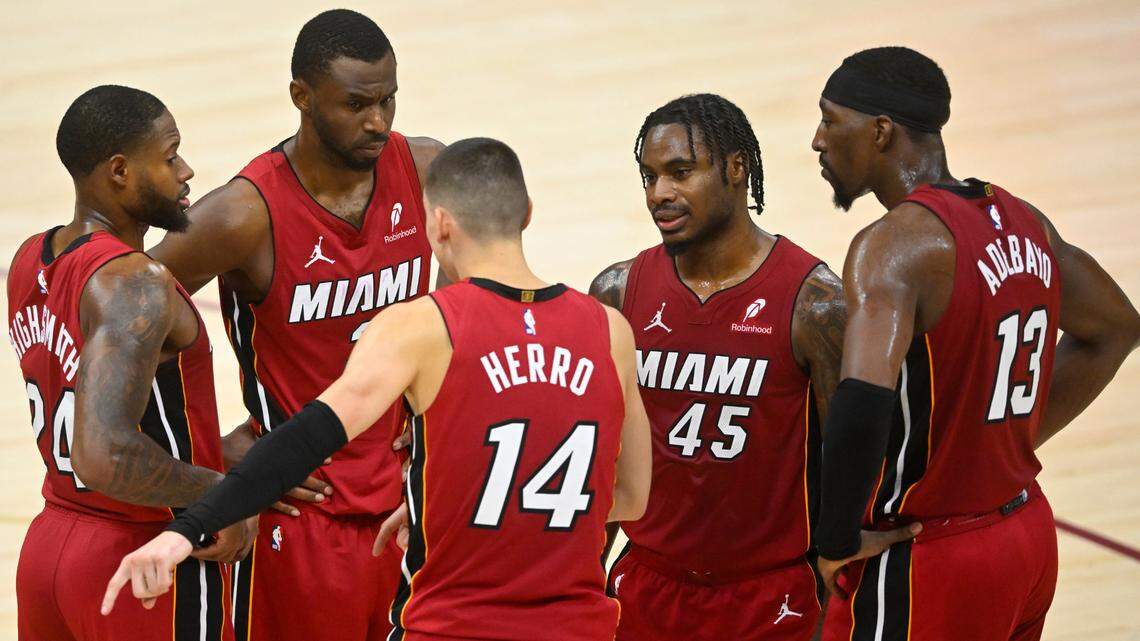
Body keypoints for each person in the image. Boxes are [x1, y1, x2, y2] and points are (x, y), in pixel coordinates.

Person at [103, 137, 653, 641]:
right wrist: (479, 507)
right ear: (527, 215)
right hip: (579, 628)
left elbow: (305, 440)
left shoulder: (420, 326)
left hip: (455, 627)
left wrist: (186, 530)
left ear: (438, 225)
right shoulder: (610, 331)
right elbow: (629, 496)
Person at [810, 47, 1140, 640]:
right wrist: (1007, 442)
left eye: (831, 120)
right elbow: (1117, 327)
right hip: (1026, 538)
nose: (817, 140)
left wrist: (833, 540)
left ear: (880, 131)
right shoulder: (1023, 220)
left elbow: (861, 402)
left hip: (933, 556)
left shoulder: (892, 247)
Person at [147, 10, 445, 640]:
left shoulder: (425, 170)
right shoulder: (242, 214)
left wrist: (439, 418)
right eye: (357, 104)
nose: (378, 122)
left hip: (409, 504)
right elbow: (121, 313)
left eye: (389, 100)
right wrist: (205, 454)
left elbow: (472, 313)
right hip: (302, 514)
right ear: (301, 97)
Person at [589, 93, 876, 641]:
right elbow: (600, 452)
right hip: (646, 583)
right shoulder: (618, 293)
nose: (660, 194)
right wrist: (578, 578)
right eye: (648, 176)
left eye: (680, 172)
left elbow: (853, 455)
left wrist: (841, 575)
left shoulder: (815, 304)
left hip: (771, 596)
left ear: (737, 169)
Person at [8, 85, 255, 641]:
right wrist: (219, 494)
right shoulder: (134, 282)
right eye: (169, 157)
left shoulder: (31, 258)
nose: (186, 170)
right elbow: (104, 452)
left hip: (49, 548)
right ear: (120, 170)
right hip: (141, 557)